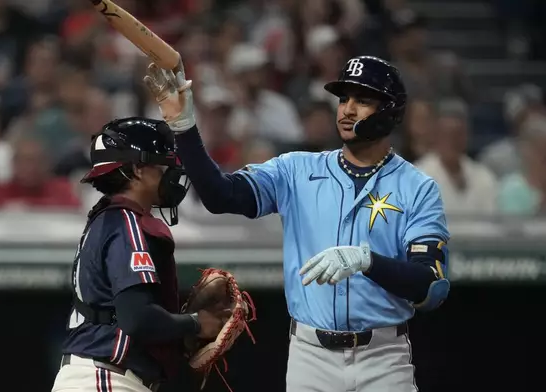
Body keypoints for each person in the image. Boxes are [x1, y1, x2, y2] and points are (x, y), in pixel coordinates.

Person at [143, 56, 450, 391]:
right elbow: (220, 196)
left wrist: (368, 261)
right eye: (343, 99)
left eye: (362, 100)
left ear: (391, 111)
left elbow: (431, 286)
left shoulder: (417, 187)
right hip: (311, 357)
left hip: (384, 357)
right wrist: (184, 127)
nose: (347, 110)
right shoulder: (295, 170)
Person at [51, 117, 229, 392]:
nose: (171, 173)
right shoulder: (125, 223)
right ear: (137, 170)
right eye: (163, 165)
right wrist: (195, 323)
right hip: (106, 379)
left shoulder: (110, 217)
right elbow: (138, 318)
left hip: (99, 376)